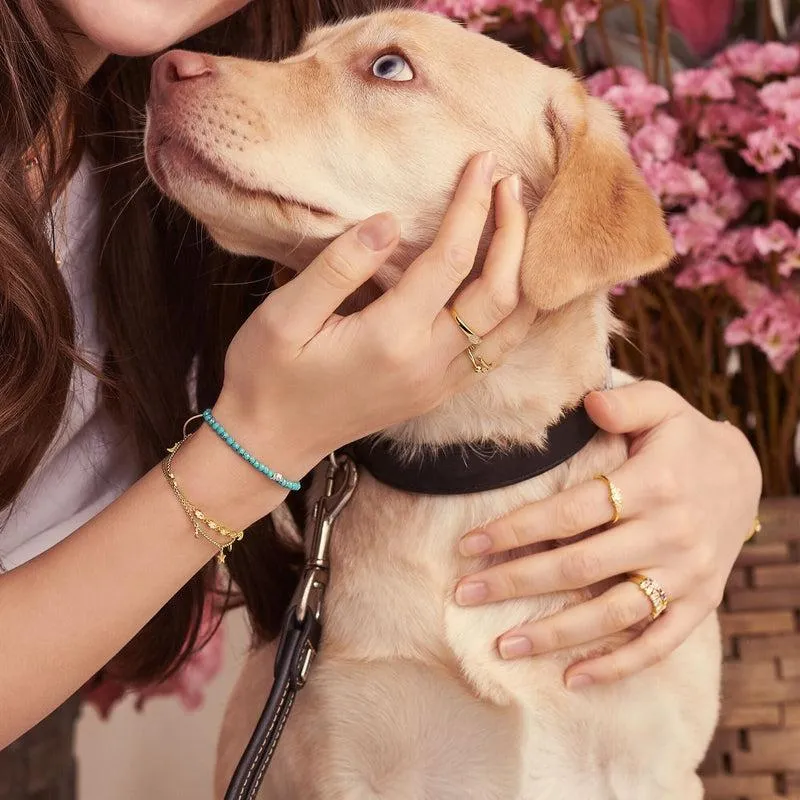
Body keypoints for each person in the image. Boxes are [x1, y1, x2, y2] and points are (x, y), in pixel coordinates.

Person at [0, 0, 761, 753]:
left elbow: (542, 369)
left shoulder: (152, 209)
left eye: (386, 68)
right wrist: (254, 448)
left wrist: (726, 467)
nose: (196, 73)